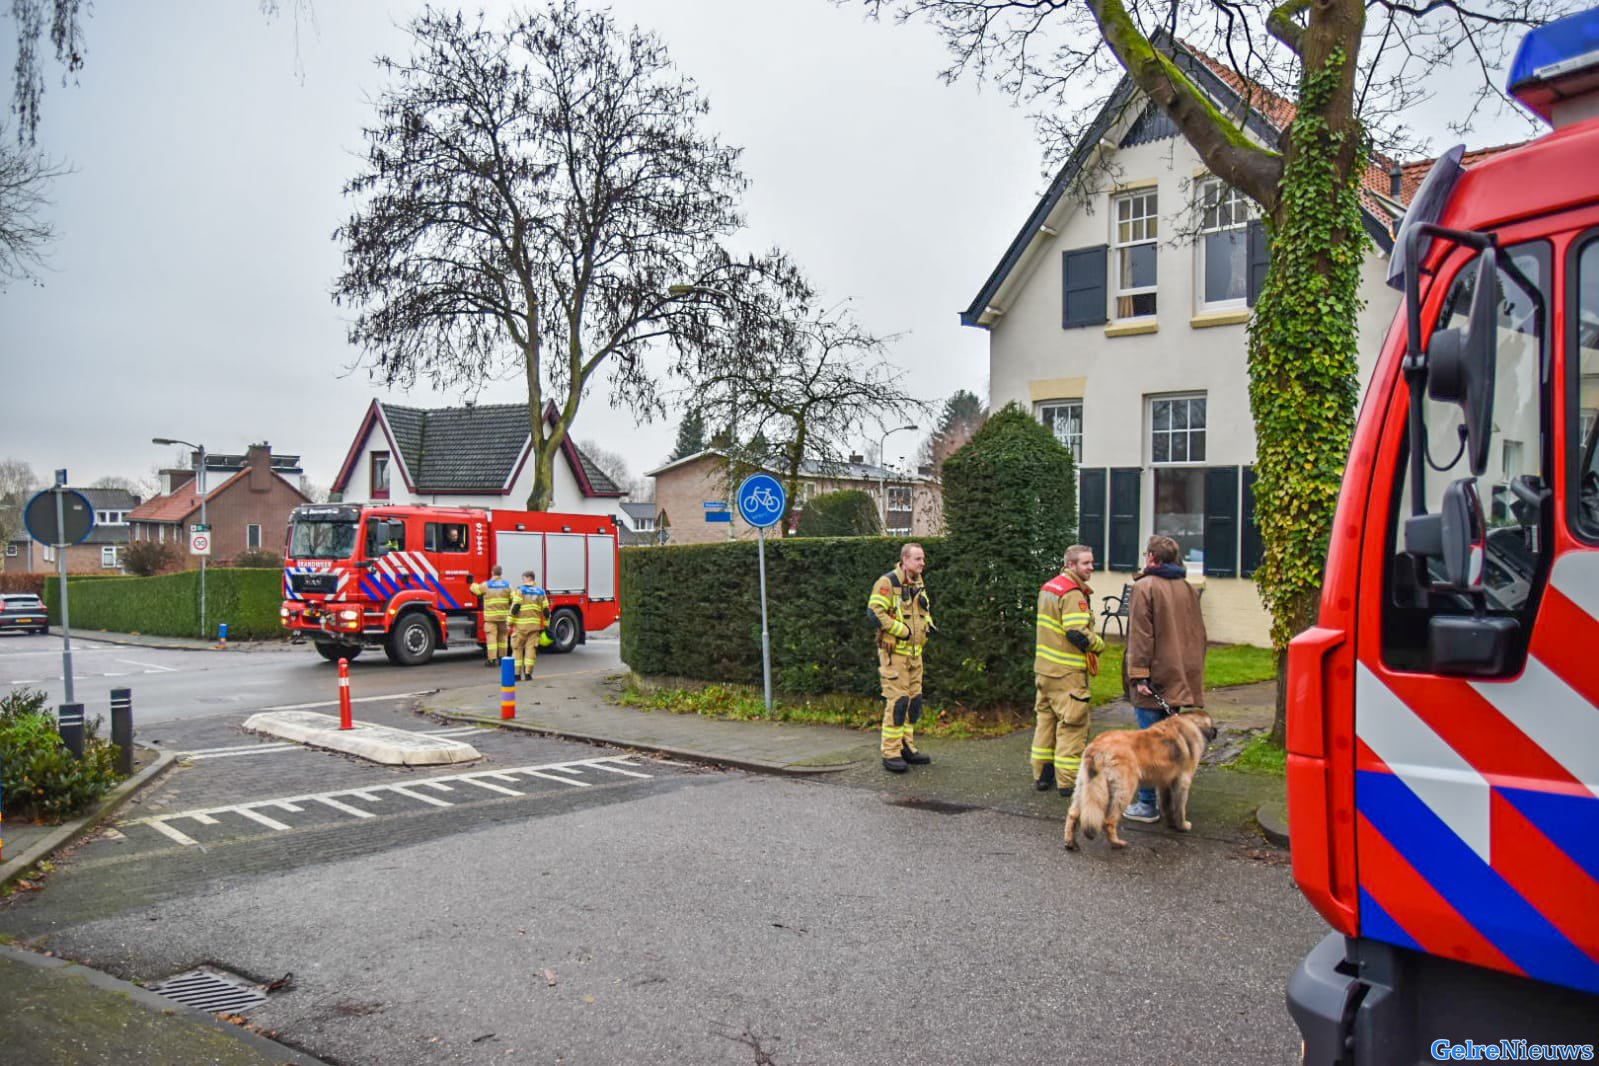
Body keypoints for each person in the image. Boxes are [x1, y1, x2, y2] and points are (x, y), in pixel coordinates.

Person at [1121, 535, 1207, 823]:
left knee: (1148, 743)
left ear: (1152, 558)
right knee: (1170, 740)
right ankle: (1170, 802)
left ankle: (1147, 804)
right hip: (1179, 675)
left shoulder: (1144, 587)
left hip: (1153, 678)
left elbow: (1141, 637)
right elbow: (1197, 635)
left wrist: (1139, 674)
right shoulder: (1187, 588)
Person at [1031, 544, 1106, 797]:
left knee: (1046, 724)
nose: (1091, 568)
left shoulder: (1049, 587)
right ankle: (1068, 783)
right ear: (1071, 565)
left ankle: (1042, 775)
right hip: (1067, 674)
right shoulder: (1073, 593)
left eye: (1092, 562)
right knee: (1072, 726)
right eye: (1086, 563)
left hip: (1044, 671)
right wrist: (1099, 645)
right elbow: (1077, 633)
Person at [867, 542, 934, 773]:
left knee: (914, 703)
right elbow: (874, 611)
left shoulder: (917, 581)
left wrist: (929, 625)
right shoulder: (888, 583)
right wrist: (901, 630)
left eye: (923, 559)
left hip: (915, 655)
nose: (922, 563)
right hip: (894, 655)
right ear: (905, 561)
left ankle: (907, 747)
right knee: (898, 703)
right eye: (918, 559)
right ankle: (890, 752)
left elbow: (921, 610)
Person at [469, 565, 513, 668]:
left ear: (493, 572)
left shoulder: (487, 585)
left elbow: (476, 590)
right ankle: (503, 658)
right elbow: (514, 598)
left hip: (491, 618)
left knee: (491, 638)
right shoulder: (507, 585)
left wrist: (472, 582)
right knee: (503, 638)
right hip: (503, 617)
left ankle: (492, 660)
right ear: (501, 573)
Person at [510, 570, 550, 681]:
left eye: (523, 578)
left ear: (528, 578)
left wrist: (509, 623)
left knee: (517, 649)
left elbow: (515, 608)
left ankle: (517, 675)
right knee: (531, 650)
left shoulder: (520, 591)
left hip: (521, 627)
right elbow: (546, 611)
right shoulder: (541, 592)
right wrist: (546, 626)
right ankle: (528, 674)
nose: (522, 581)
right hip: (534, 627)